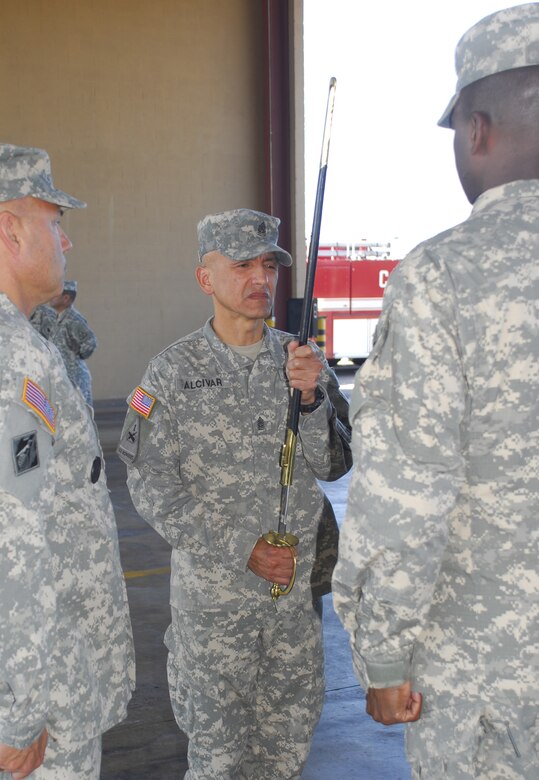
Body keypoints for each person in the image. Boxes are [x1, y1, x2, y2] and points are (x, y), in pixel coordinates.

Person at [332, 5, 539, 778]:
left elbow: (404, 488)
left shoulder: (445, 275)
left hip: (492, 679)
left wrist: (381, 652)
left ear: (476, 129)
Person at [117, 208, 352, 779]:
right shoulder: (168, 374)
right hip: (213, 613)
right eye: (243, 264)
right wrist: (240, 546)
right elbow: (149, 482)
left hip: (293, 609)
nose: (260, 279)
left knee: (286, 756)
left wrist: (315, 399)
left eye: (269, 265)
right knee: (218, 764)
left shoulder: (301, 364)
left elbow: (334, 464)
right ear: (206, 279)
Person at [0, 142, 135, 779]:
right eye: (56, 223)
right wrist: (18, 713)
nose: (66, 242)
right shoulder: (5, 357)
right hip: (8, 724)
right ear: (10, 230)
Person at [44, 280, 97, 406]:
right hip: (63, 378)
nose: (51, 298)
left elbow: (90, 341)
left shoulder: (73, 319)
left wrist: (75, 355)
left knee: (80, 416)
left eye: (55, 295)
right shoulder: (57, 318)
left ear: (66, 298)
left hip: (75, 379)